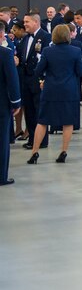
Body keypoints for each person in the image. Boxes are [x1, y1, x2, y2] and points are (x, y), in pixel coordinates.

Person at [26, 25, 82, 164]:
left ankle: (35, 152)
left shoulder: (47, 51)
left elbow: (38, 70)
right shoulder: (76, 51)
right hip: (69, 91)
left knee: (43, 121)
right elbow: (80, 71)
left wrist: (42, 80)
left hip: (50, 90)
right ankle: (63, 151)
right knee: (67, 122)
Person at [17, 13, 52, 149]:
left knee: (39, 111)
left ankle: (41, 140)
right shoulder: (25, 39)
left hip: (38, 80)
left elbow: (47, 59)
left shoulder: (45, 37)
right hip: (26, 80)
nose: (24, 24)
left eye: (27, 22)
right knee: (30, 111)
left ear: (36, 22)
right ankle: (32, 139)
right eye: (24, 22)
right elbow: (21, 55)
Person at [0, 20, 22, 185]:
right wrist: (16, 103)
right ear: (2, 34)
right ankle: (1, 176)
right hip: (2, 104)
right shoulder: (5, 53)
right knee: (2, 141)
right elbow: (12, 81)